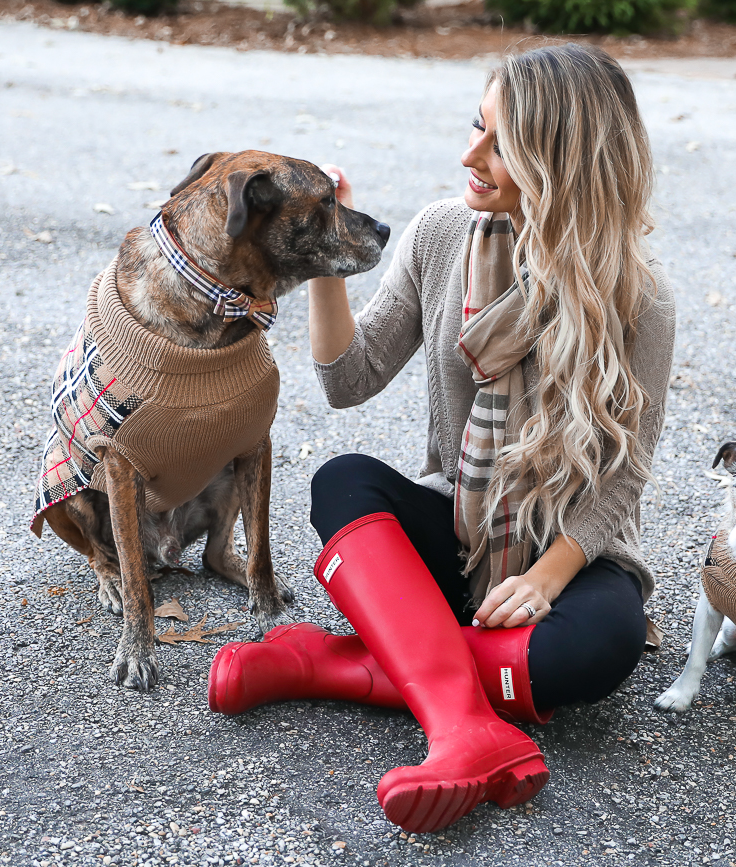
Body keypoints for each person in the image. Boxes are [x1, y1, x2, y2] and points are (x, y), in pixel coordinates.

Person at [208, 43, 675, 834]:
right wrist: (328, 259)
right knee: (342, 480)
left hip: (568, 551)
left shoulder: (640, 300)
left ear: (561, 162)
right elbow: (346, 381)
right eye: (474, 126)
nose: (470, 154)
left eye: (501, 143)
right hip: (459, 529)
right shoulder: (441, 236)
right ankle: (465, 724)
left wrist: (549, 577)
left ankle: (328, 662)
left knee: (605, 643)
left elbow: (623, 477)